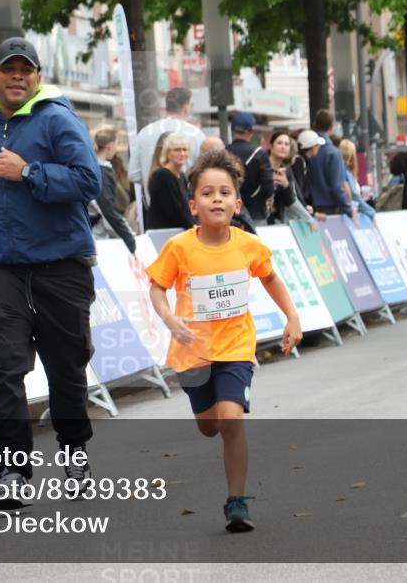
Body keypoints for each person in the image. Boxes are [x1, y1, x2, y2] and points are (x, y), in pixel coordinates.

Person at [0, 37, 101, 509]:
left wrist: (30, 172)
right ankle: (12, 467)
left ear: (36, 77)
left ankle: (74, 451)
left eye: (25, 70)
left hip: (61, 265)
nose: (16, 76)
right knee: (0, 364)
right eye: (7, 69)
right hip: (1, 268)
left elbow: (89, 181)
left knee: (66, 366)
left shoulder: (57, 118)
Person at [146, 149, 302, 533]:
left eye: (225, 192)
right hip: (192, 351)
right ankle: (212, 424)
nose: (217, 198)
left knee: (231, 419)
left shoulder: (248, 245)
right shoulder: (180, 247)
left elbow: (270, 279)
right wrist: (169, 318)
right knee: (209, 426)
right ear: (193, 205)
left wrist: (292, 316)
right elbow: (156, 287)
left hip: (235, 347)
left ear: (236, 203)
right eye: (207, 193)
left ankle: (237, 501)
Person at [129, 87, 206, 190]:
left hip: (153, 201)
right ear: (187, 107)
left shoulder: (145, 132)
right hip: (186, 201)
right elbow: (204, 172)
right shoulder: (196, 134)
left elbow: (134, 174)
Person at [89, 125, 136, 252]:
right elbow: (107, 209)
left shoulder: (94, 167)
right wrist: (128, 237)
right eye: (116, 144)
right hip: (95, 233)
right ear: (110, 146)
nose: (116, 148)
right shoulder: (101, 171)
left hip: (94, 231)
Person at [225, 112, 274, 222]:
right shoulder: (259, 153)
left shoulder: (223, 152)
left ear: (233, 130)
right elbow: (268, 188)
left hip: (229, 212)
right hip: (254, 212)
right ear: (251, 131)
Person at [267, 130, 318, 228]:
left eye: (286, 144)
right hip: (257, 220)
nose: (283, 147)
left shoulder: (286, 170)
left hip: (276, 221)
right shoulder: (262, 166)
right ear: (271, 146)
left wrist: (286, 186)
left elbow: (291, 199)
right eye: (279, 143)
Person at [307, 112, 354, 218]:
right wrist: (348, 209)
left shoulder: (307, 150)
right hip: (329, 209)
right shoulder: (333, 153)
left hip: (309, 207)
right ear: (331, 127)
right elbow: (337, 186)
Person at [146, 132, 195, 231]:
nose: (182, 153)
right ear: (167, 153)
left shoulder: (181, 176)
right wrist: (194, 226)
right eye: (177, 150)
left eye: (185, 150)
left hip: (179, 231)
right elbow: (174, 211)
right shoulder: (163, 175)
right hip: (164, 233)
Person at [338, 139, 375, 220]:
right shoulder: (345, 172)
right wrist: (370, 211)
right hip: (351, 215)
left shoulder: (342, 170)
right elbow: (354, 196)